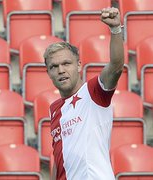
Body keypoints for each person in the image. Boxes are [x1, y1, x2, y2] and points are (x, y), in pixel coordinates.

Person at [44, 7, 124, 179]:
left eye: (66, 63)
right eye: (54, 67)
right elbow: (59, 157)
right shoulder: (54, 108)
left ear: (79, 65)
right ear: (48, 72)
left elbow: (116, 66)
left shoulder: (93, 92)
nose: (61, 70)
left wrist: (115, 29)